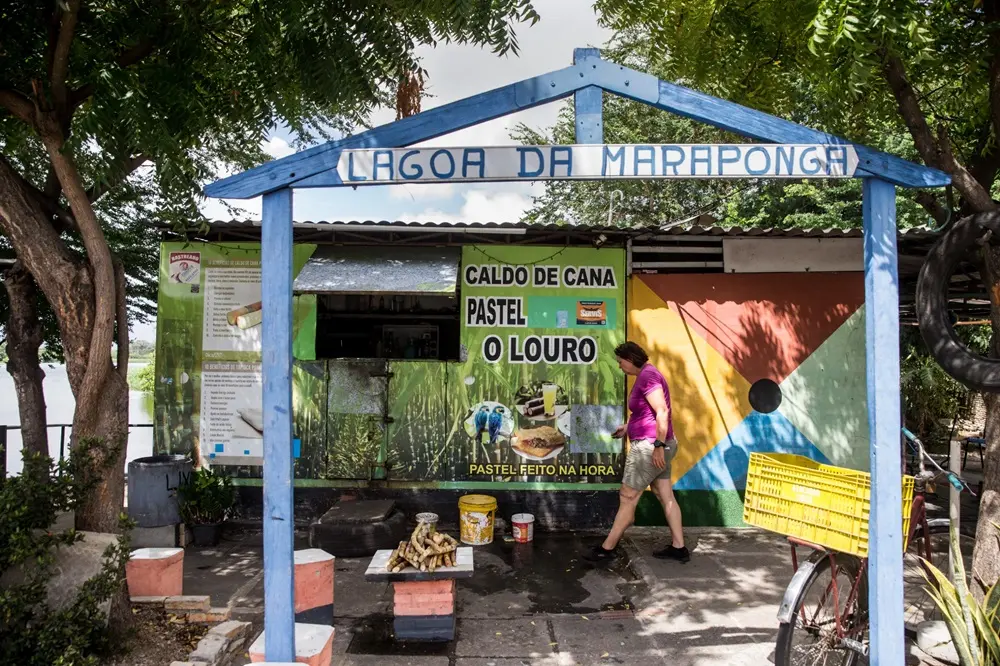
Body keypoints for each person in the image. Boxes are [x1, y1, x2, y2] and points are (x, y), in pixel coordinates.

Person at [584, 341, 689, 563]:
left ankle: (607, 549)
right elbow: (645, 411)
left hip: (650, 447)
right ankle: (679, 547)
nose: (619, 366)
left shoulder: (648, 376)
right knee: (664, 495)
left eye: (621, 362)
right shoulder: (645, 375)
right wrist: (627, 427)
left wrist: (658, 447)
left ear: (631, 359)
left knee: (628, 495)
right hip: (658, 444)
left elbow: (661, 411)